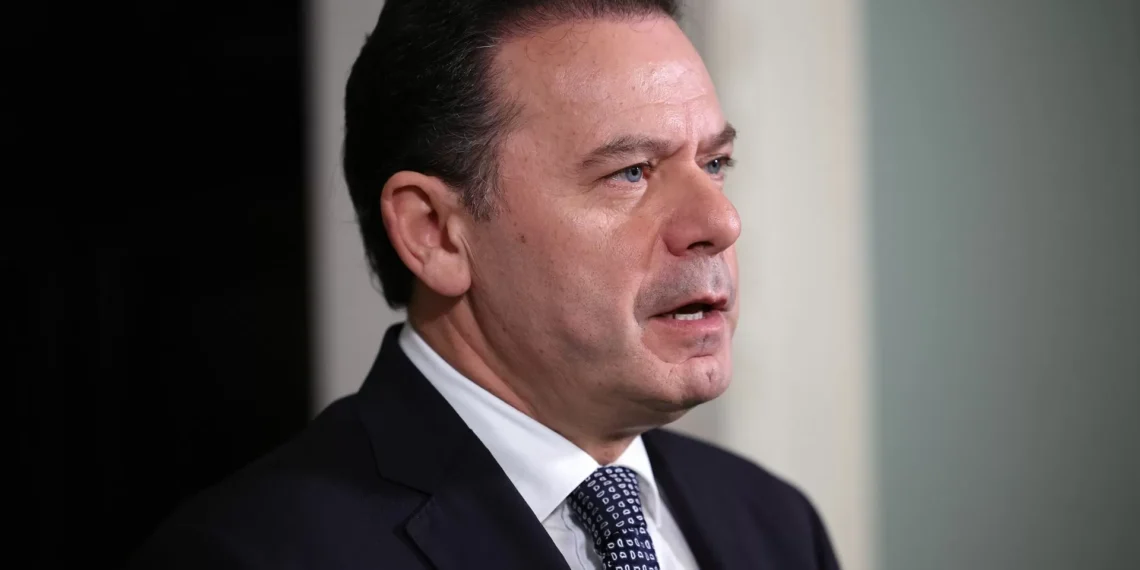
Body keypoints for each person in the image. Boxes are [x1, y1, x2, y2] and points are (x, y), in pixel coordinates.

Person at [129, 0, 841, 568]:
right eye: (630, 172)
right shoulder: (253, 553)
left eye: (714, 164)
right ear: (435, 233)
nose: (720, 221)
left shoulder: (774, 523)